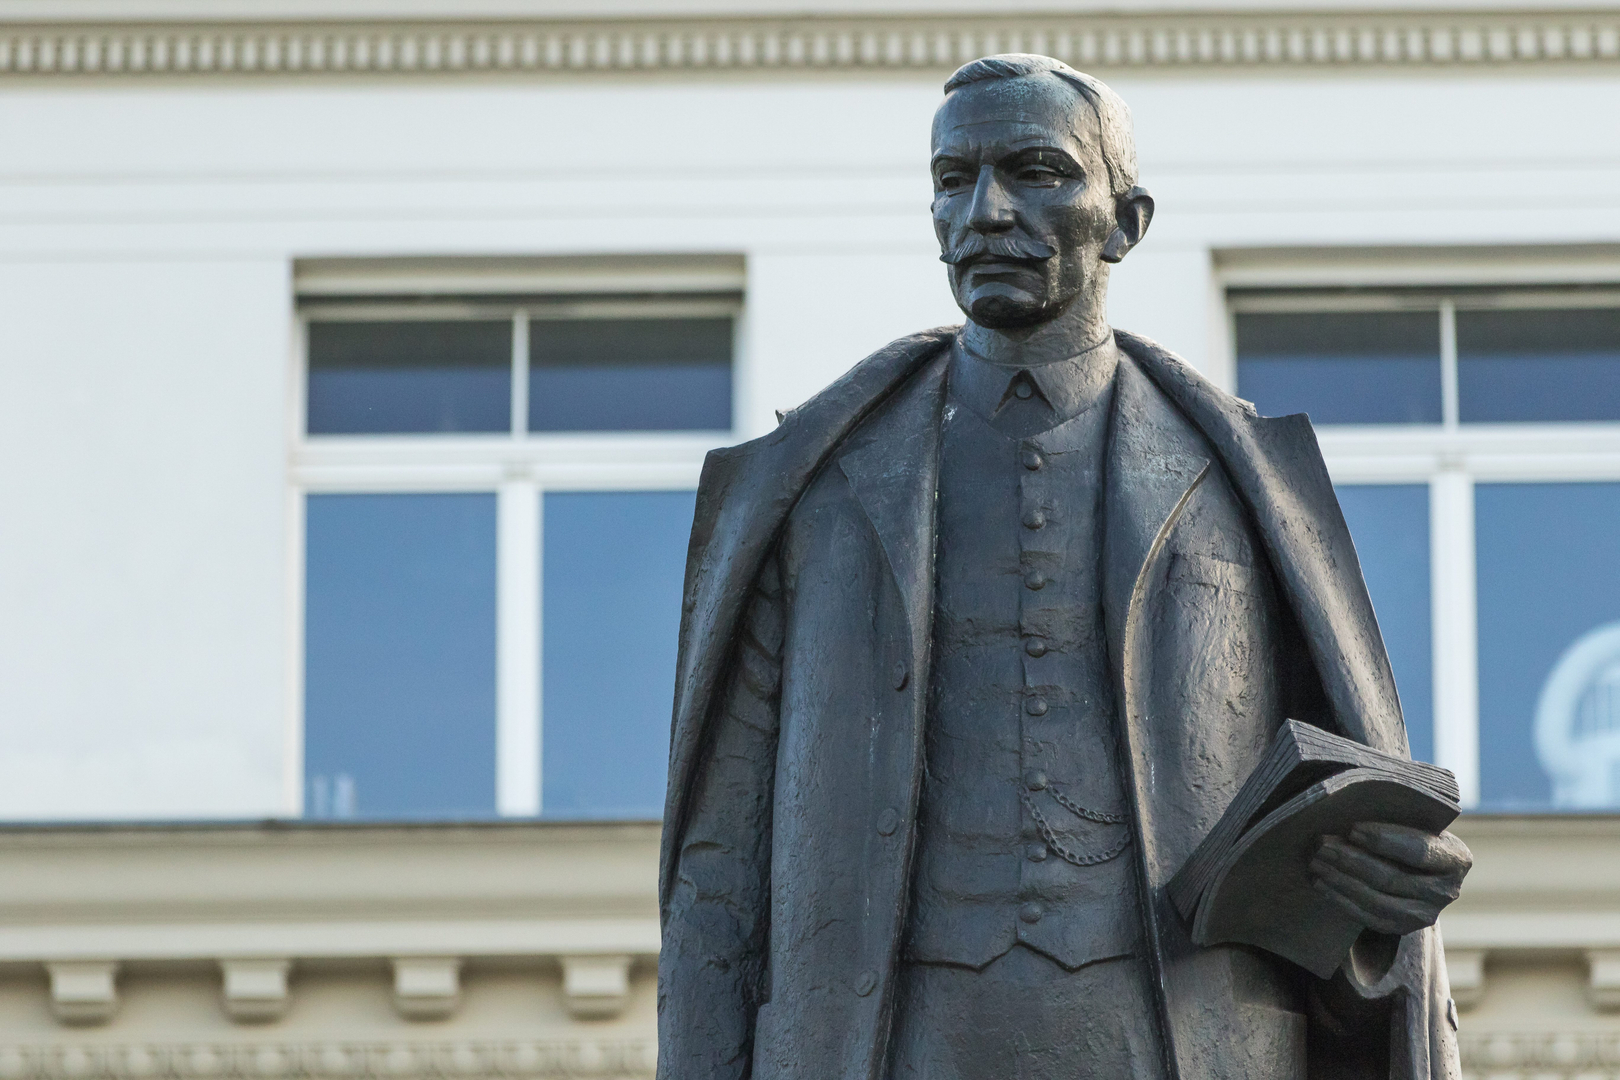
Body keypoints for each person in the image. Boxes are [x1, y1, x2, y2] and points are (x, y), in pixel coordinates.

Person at [658, 53, 1471, 1080]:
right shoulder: (818, 483)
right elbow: (720, 870)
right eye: (954, 181)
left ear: (1125, 222)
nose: (986, 213)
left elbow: (1334, 810)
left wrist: (1381, 903)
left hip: (1184, 1036)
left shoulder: (1246, 483)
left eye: (1036, 172)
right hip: (884, 1041)